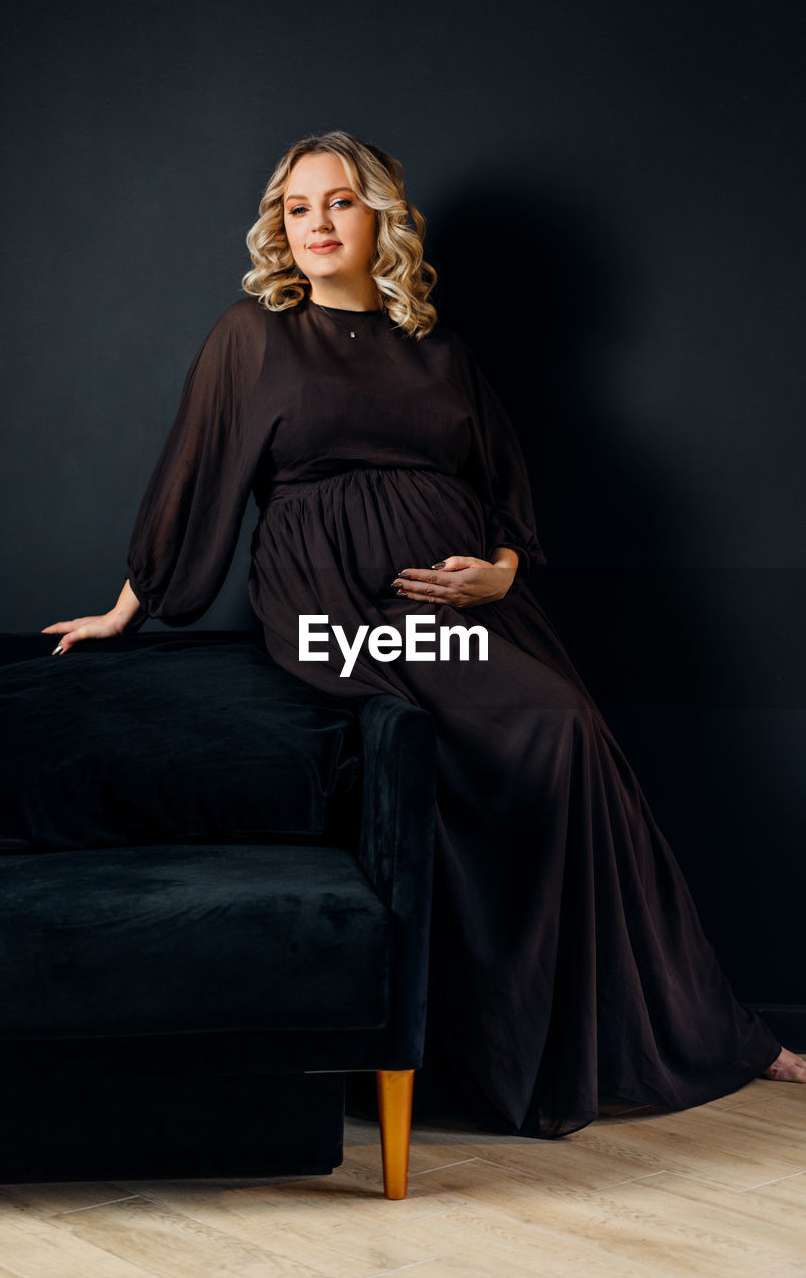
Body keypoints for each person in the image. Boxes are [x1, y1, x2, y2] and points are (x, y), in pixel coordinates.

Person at [42, 129, 806, 1137]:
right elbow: (193, 480)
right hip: (330, 612)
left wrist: (501, 569)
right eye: (297, 206)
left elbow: (506, 498)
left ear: (382, 219)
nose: (315, 223)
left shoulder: (442, 352)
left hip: (465, 611)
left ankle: (665, 1030)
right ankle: (473, 1052)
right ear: (278, 225)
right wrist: (126, 606)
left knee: (568, 736)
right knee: (442, 740)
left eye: (339, 203)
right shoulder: (253, 335)